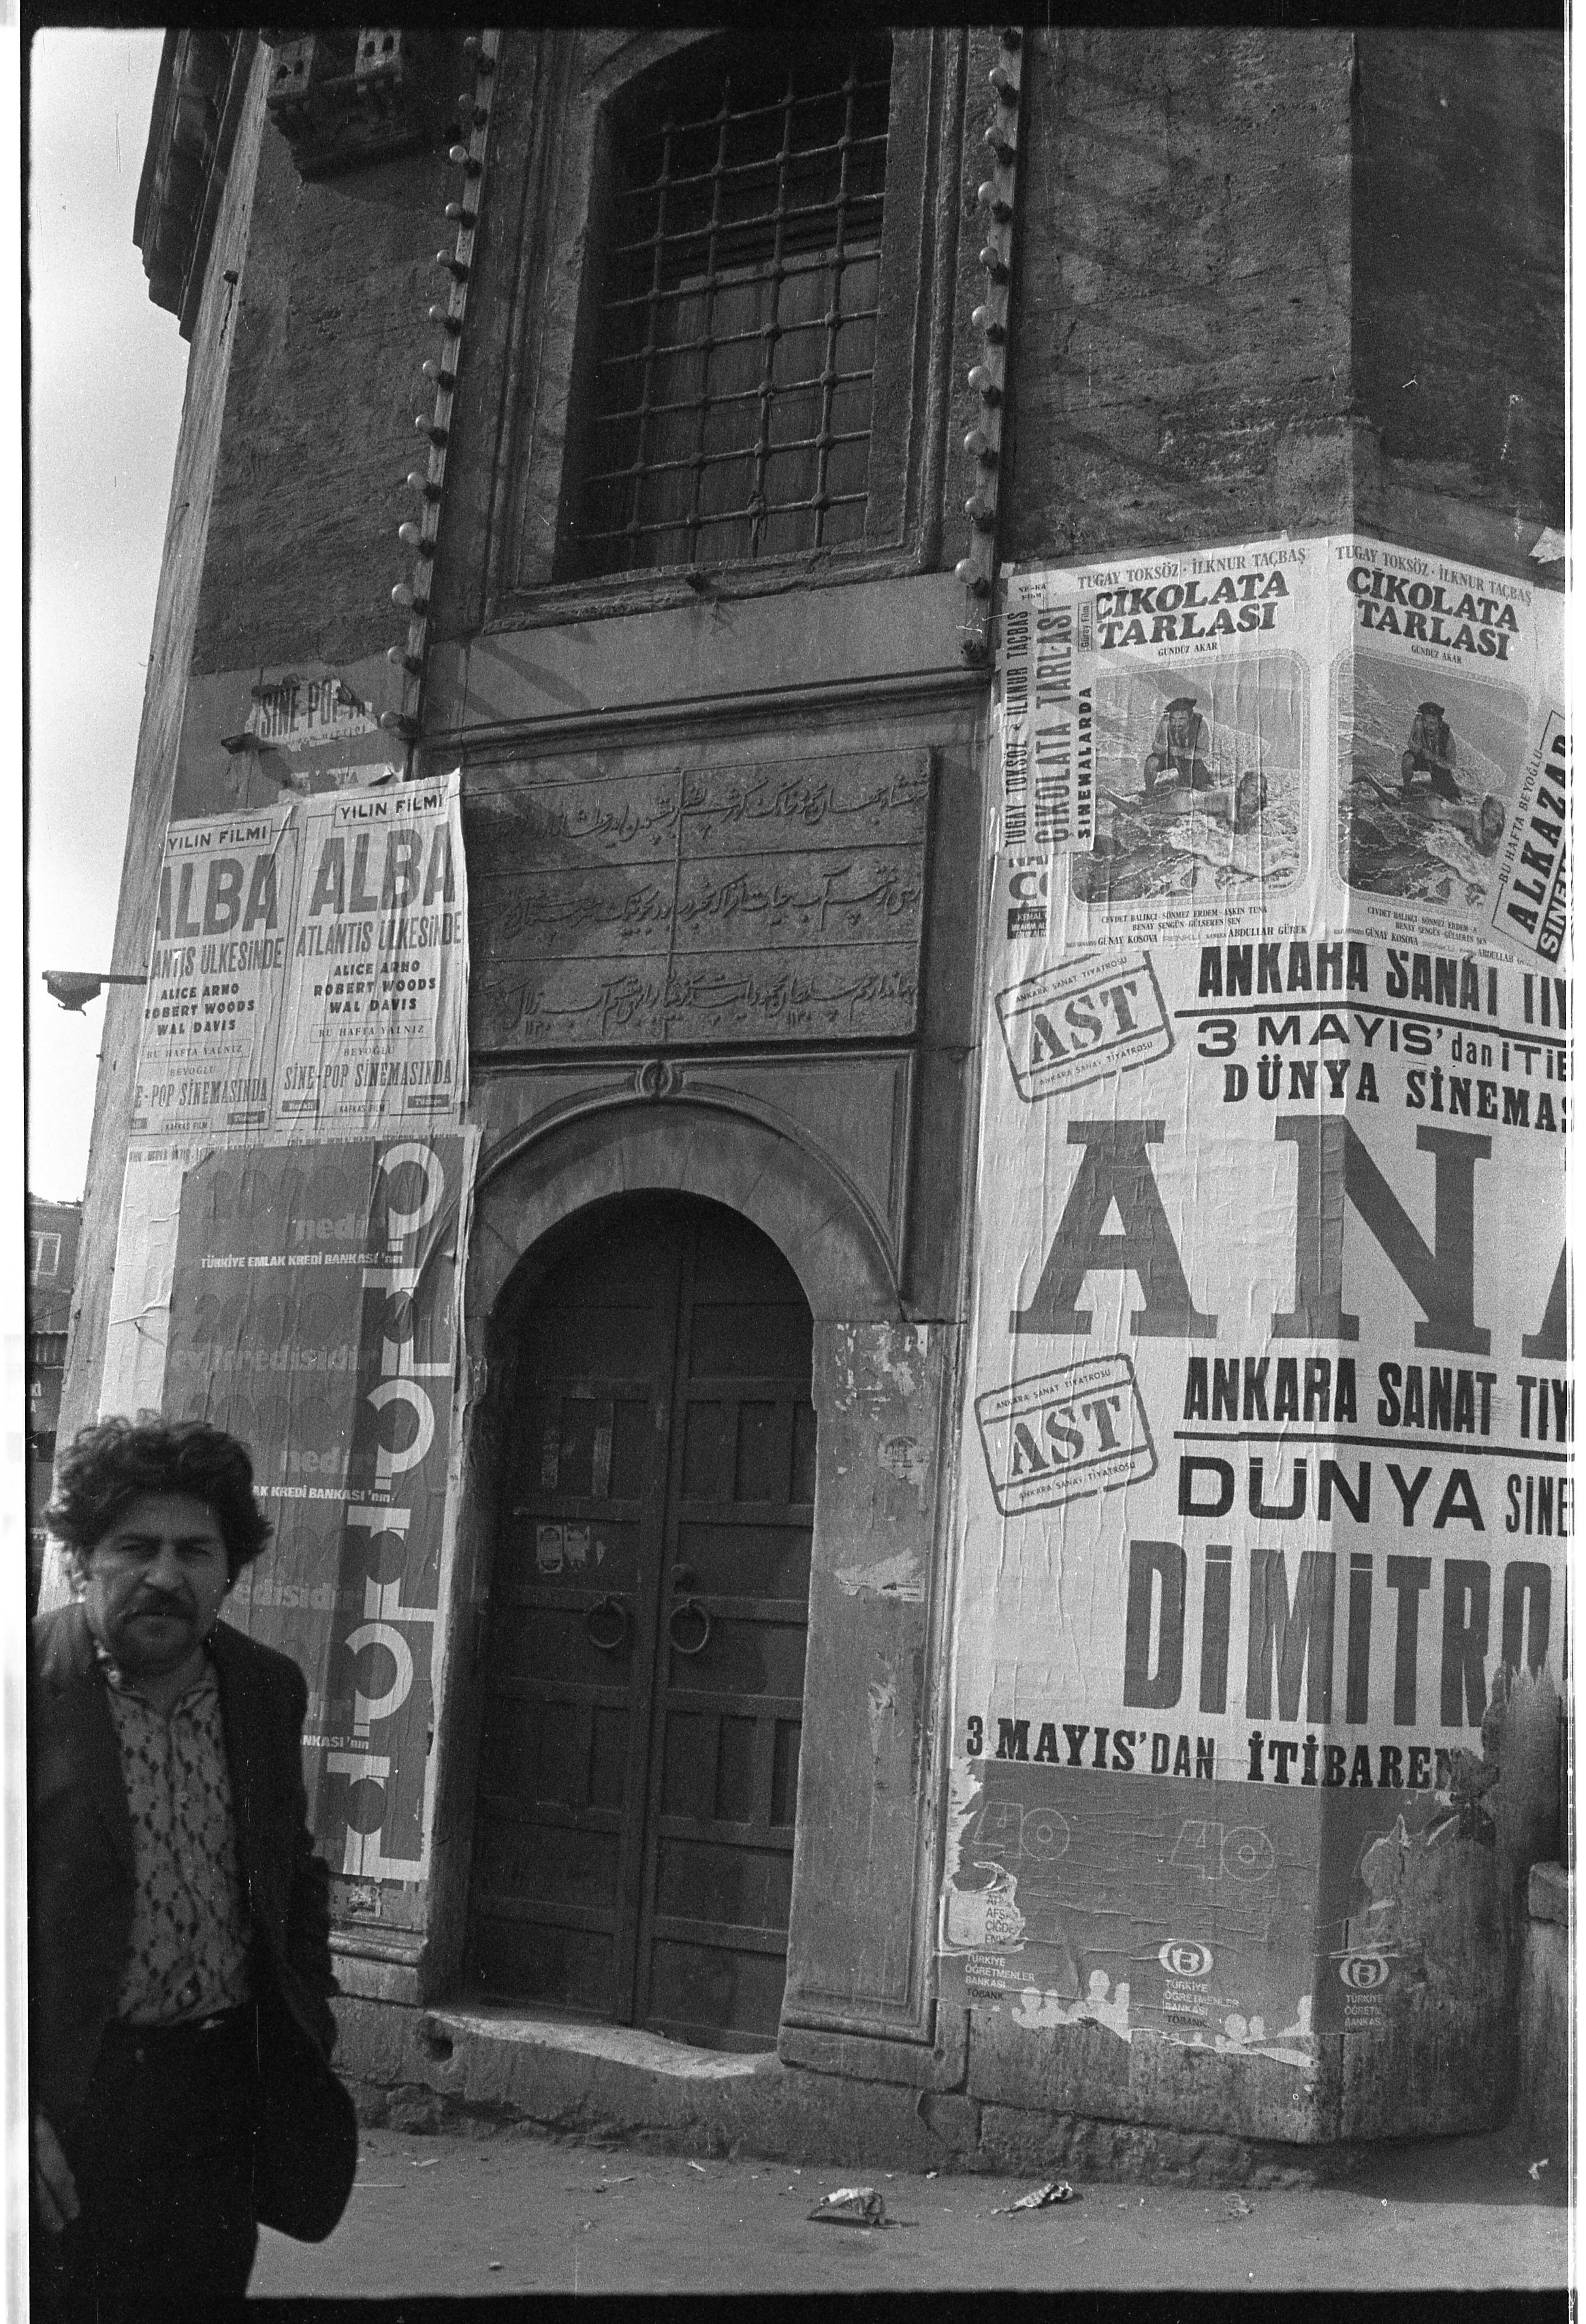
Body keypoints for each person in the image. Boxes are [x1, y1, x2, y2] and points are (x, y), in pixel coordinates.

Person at [30, 1417, 358, 2313]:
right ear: (80, 1560)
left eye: (194, 1551)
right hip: (67, 2104)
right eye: (136, 1547)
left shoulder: (266, 1687)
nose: (166, 1576)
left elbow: (290, 1872)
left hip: (217, 2106)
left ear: (230, 1570)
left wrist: (307, 2021)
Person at [1142, 695, 1213, 793]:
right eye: (1174, 719)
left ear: (1191, 717)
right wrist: (1164, 731)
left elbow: (1204, 751)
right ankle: (1149, 791)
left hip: (1191, 759)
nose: (1177, 723)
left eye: (1182, 719)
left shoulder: (1201, 723)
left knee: (1199, 786)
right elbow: (1156, 749)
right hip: (1170, 756)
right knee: (1152, 762)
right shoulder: (1166, 721)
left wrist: (1182, 752)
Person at [1401, 701, 1460, 801]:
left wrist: (1434, 758)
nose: (1428, 727)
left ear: (1440, 724)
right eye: (1425, 721)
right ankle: (1407, 789)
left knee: (1451, 796)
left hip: (1439, 765)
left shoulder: (1447, 736)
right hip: (1423, 758)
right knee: (1408, 759)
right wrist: (1418, 745)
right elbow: (1411, 744)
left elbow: (1452, 764)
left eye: (1433, 723)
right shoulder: (1419, 725)